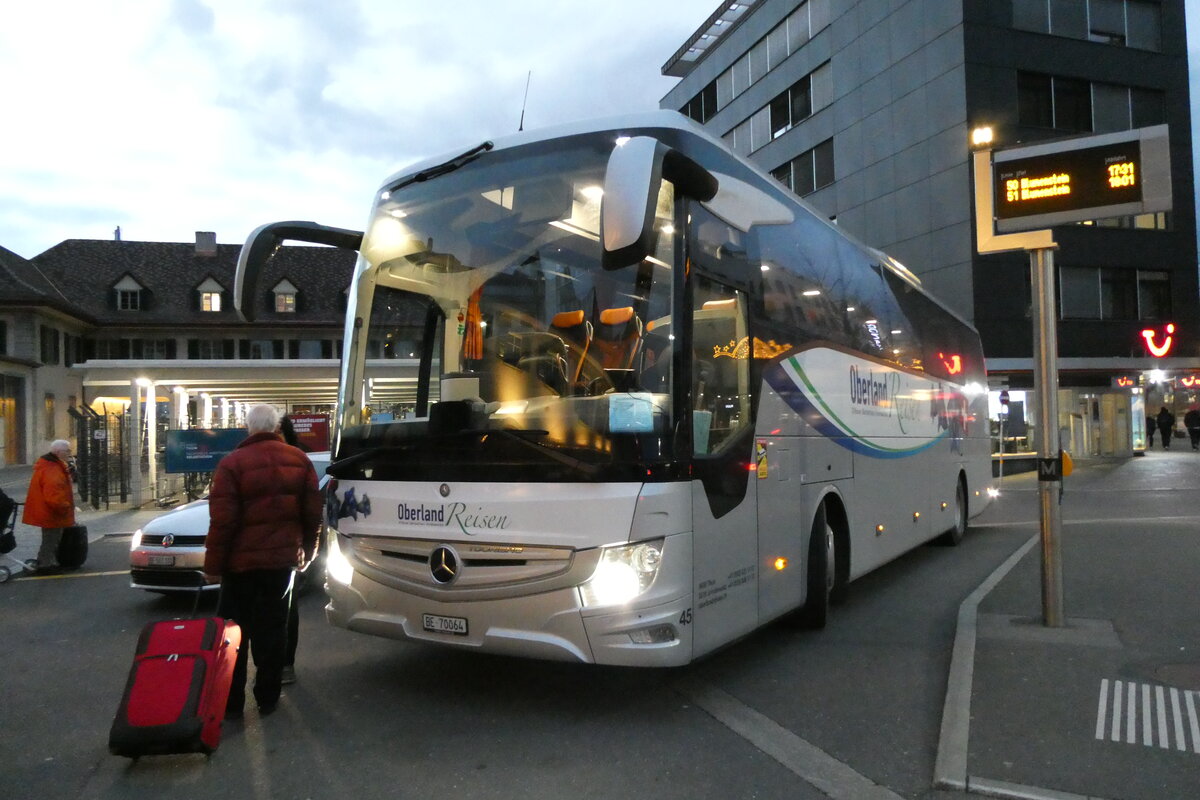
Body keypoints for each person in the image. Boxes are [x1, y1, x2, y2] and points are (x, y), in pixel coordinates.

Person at [204, 405, 321, 718]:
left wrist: (213, 567)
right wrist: (307, 551)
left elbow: (222, 522)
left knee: (232, 632)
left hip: (239, 566)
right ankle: (268, 697)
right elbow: (312, 514)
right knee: (273, 629)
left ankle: (231, 702)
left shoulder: (232, 464)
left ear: (248, 427)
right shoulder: (299, 460)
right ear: (277, 426)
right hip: (280, 563)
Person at [22, 439, 76, 573]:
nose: (70, 453)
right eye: (67, 451)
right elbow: (54, 495)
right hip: (51, 512)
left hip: (47, 510)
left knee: (50, 538)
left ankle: (46, 561)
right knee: (51, 539)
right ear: (58, 452)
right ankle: (46, 565)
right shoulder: (52, 469)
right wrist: (65, 507)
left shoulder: (51, 465)